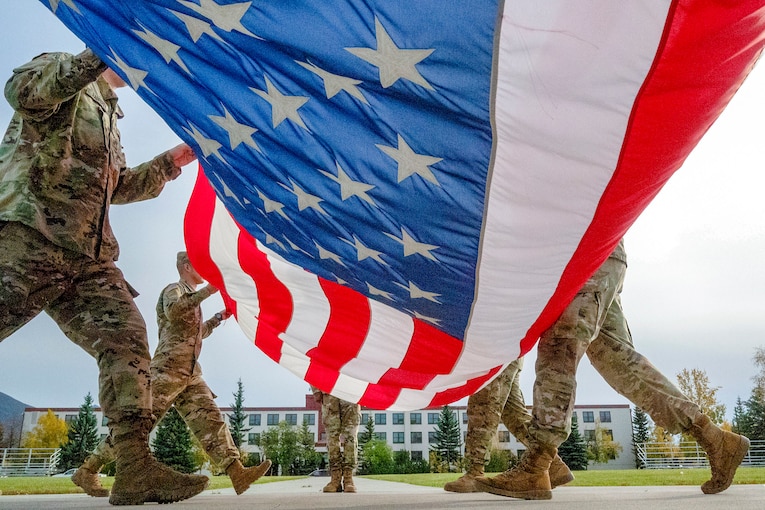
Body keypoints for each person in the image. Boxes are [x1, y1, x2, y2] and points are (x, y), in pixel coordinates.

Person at [0, 48, 208, 505]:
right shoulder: (64, 68)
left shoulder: (111, 113)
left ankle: (135, 468)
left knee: (127, 341)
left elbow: (114, 188)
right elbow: (24, 92)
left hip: (87, 258)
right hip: (29, 232)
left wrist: (173, 161)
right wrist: (103, 47)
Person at [475, 239, 751, 500]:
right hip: (599, 253)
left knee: (559, 352)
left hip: (582, 256)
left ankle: (536, 466)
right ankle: (714, 438)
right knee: (620, 362)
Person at [74, 252, 271, 496]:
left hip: (189, 373)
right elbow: (174, 312)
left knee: (210, 421)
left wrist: (219, 317)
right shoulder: (174, 290)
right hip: (166, 371)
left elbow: (198, 333)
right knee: (139, 427)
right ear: (187, 267)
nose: (205, 271)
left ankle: (237, 472)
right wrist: (209, 291)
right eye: (200, 266)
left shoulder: (193, 299)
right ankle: (88, 469)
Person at [443, 358, 573, 493]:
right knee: (513, 413)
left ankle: (475, 472)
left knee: (483, 406)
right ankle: (553, 465)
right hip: (509, 351)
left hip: (495, 353)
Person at [311, 386, 361, 493]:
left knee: (351, 436)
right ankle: (335, 479)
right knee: (332, 438)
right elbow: (315, 368)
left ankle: (348, 478)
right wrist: (316, 389)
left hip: (350, 391)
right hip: (329, 391)